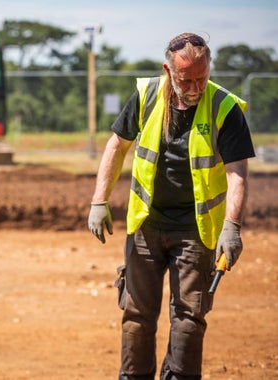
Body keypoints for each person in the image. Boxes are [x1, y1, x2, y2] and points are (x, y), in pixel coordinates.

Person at [87, 33, 254, 379]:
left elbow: (237, 172)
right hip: (147, 224)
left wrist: (232, 226)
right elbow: (116, 146)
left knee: (190, 318)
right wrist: (99, 200)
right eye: (185, 79)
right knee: (136, 315)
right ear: (168, 70)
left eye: (201, 77)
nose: (194, 87)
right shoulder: (147, 96)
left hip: (196, 229)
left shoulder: (224, 107)